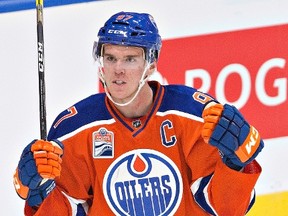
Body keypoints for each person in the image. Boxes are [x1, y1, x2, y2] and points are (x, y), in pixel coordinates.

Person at [13, 11, 264, 216]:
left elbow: (226, 209)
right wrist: (38, 194)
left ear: (151, 65)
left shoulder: (193, 116)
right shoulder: (73, 130)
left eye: (130, 59)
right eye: (110, 58)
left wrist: (235, 165)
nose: (118, 70)